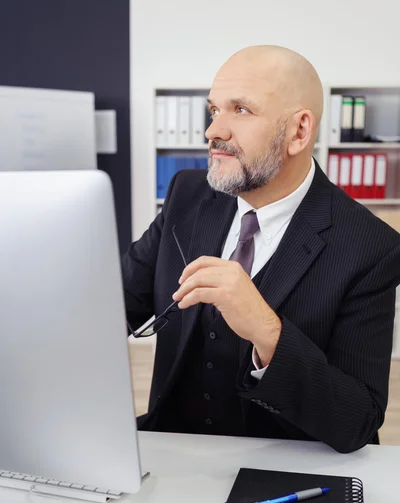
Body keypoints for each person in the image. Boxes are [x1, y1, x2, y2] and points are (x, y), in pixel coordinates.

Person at [122, 45, 400, 453]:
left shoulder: (371, 246)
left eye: (241, 110)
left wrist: (268, 332)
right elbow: (114, 305)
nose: (213, 131)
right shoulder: (185, 194)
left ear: (299, 132)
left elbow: (357, 420)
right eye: (214, 110)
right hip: (170, 453)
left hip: (281, 473)